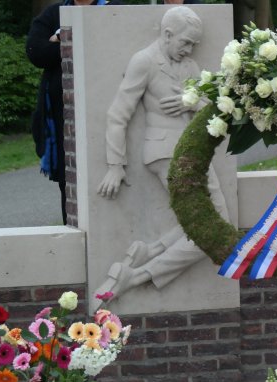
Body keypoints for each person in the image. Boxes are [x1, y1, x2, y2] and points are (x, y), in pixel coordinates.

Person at [93, 6, 228, 308]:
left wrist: (188, 102)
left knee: (212, 225)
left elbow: (212, 105)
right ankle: (140, 274)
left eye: (194, 43)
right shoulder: (144, 61)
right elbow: (118, 114)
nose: (190, 48)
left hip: (195, 154)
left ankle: (147, 254)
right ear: (167, 35)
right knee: (212, 229)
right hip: (165, 152)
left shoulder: (190, 66)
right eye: (185, 42)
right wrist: (116, 166)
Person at [26, 0, 105, 225]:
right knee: (68, 180)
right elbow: (36, 52)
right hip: (62, 116)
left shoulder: (111, 8)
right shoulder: (54, 13)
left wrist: (59, 38)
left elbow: (104, 44)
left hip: (101, 110)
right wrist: (68, 39)